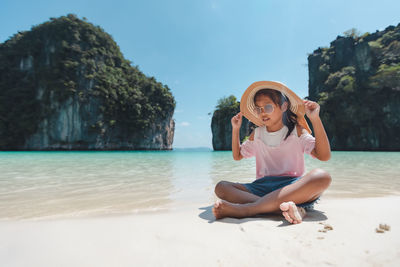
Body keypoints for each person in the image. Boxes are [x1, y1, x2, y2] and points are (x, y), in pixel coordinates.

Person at [212, 81, 332, 224]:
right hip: (262, 187)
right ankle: (282, 208)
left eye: (268, 107)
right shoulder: (256, 134)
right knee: (221, 187)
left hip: (292, 187)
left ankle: (249, 209)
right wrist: (236, 129)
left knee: (322, 177)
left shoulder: (296, 130)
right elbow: (237, 156)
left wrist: (315, 119)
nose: (262, 113)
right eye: (258, 109)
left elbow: (324, 156)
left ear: (284, 106)